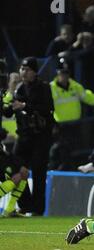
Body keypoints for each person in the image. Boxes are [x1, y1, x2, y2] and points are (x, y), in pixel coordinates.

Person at [3, 57, 55, 215]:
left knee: (39, 173)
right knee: (15, 169)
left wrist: (25, 106)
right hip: (24, 136)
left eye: (27, 70)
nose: (23, 72)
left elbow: (48, 108)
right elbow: (7, 111)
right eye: (22, 69)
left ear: (34, 72)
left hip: (41, 136)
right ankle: (25, 205)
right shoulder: (19, 89)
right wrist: (10, 90)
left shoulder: (43, 87)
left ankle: (38, 210)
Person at [48, 60, 94, 170]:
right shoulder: (51, 88)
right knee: (62, 151)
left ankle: (73, 170)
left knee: (74, 150)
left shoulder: (75, 86)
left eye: (66, 73)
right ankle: (63, 171)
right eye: (62, 73)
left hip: (75, 125)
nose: (64, 76)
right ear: (57, 74)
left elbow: (88, 97)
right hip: (60, 126)